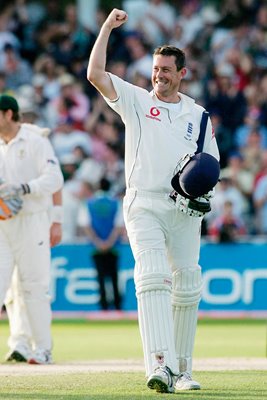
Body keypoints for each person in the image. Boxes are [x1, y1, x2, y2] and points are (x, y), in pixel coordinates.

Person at [87, 8, 220, 393]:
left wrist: (202, 192)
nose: (159, 74)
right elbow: (95, 75)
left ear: (182, 73)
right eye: (155, 68)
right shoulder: (137, 101)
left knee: (188, 281)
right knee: (152, 277)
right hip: (143, 203)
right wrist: (107, 28)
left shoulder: (199, 115)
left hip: (184, 210)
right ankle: (159, 366)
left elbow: (210, 163)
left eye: (166, 69)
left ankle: (183, 371)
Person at [0, 94, 64, 364]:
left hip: (33, 221)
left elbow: (55, 179)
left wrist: (25, 188)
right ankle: (19, 343)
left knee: (33, 287)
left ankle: (42, 348)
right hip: (3, 224)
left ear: (9, 114)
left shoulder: (36, 141)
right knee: (6, 288)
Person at [78, 176, 123, 311]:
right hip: (114, 247)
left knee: (100, 277)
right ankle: (117, 307)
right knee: (114, 277)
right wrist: (109, 242)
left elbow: (85, 225)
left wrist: (98, 242)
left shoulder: (88, 203)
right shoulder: (116, 203)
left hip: (95, 247)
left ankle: (103, 307)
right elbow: (118, 225)